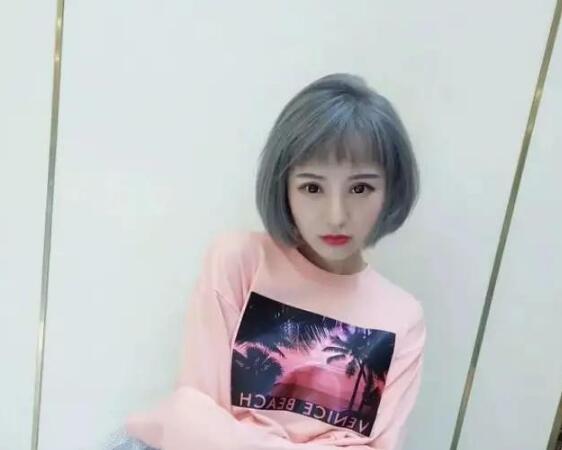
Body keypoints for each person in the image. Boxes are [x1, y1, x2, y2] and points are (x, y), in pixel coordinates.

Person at [103, 73, 426, 450]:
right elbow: (192, 419)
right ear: (283, 187)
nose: (336, 215)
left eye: (360, 188)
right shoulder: (239, 261)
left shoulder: (401, 318)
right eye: (312, 187)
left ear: (391, 191)